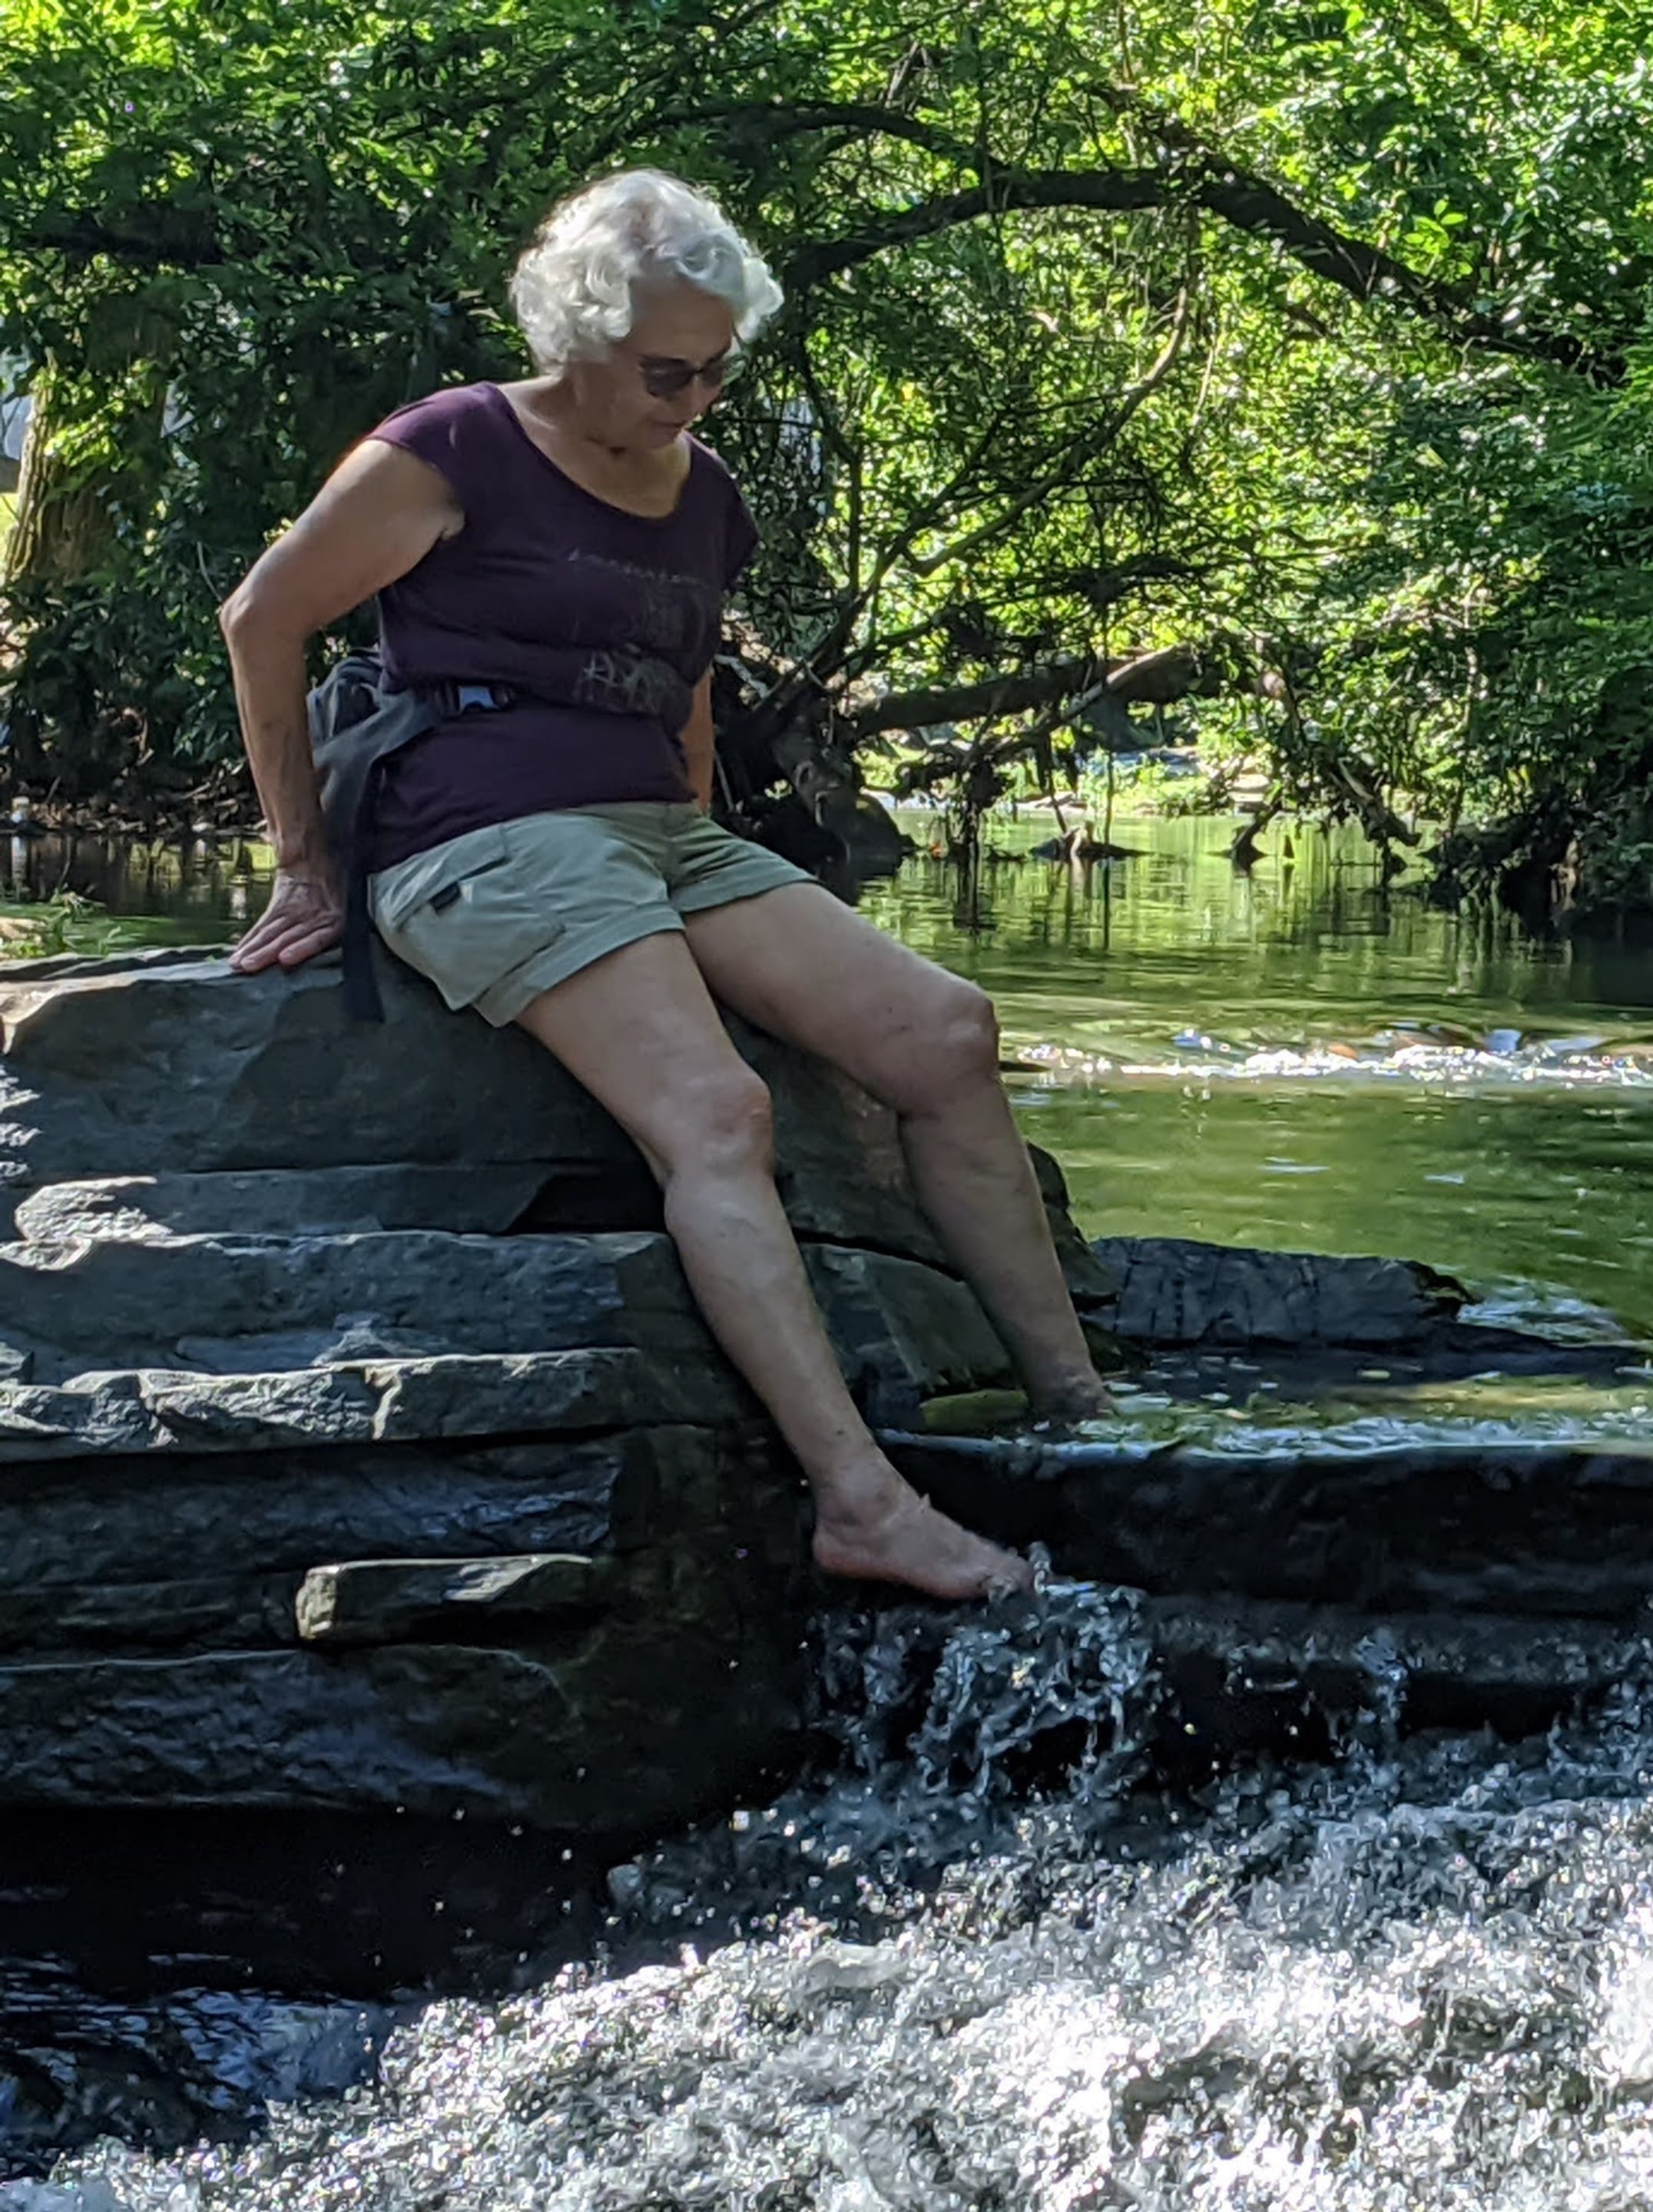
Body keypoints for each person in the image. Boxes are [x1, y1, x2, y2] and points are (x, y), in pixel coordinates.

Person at [217, 168, 1104, 1601]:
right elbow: (262, 617)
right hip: (475, 827)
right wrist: (307, 867)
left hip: (651, 829)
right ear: (577, 333)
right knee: (716, 1112)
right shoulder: (448, 450)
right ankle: (862, 1503)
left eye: (716, 368)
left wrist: (705, 876)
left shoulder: (705, 492)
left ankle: (1084, 1414)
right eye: (665, 371)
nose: (694, 398)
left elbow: (683, 689)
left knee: (946, 1033)